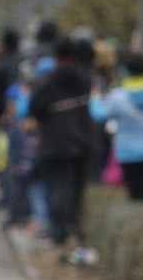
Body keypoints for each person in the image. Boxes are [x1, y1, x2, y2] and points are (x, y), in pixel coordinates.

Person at [28, 36, 94, 247]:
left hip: (57, 142)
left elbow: (35, 107)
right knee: (76, 187)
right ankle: (74, 226)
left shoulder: (50, 79)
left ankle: (59, 231)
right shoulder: (85, 77)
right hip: (83, 140)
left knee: (58, 187)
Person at [89, 50, 143, 200]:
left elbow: (100, 116)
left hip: (127, 153)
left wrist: (94, 99)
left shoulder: (118, 96)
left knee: (135, 197)